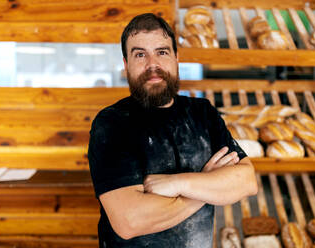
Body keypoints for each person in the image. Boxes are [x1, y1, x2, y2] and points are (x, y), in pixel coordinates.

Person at [88, 13, 258, 248]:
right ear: (126, 65)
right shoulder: (112, 123)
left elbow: (246, 181)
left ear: (176, 58)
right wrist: (206, 185)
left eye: (162, 52)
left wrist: (178, 183)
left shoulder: (202, 113)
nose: (152, 64)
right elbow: (129, 221)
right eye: (140, 54)